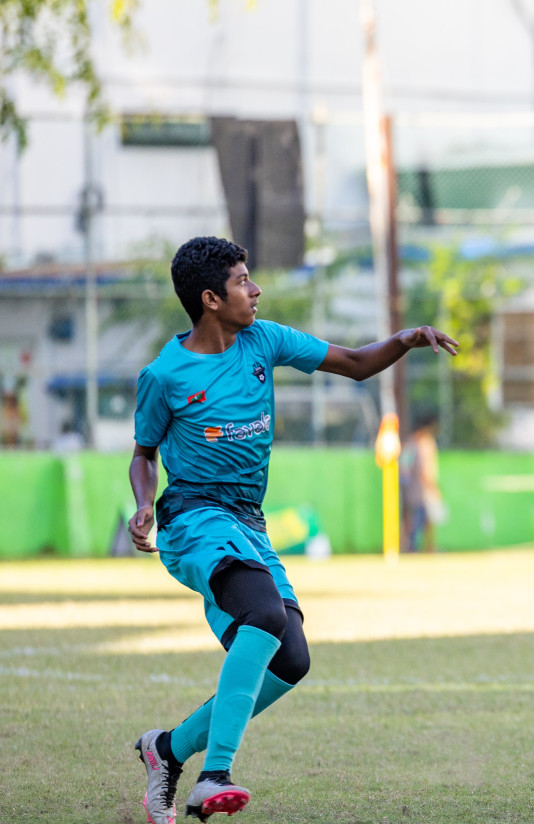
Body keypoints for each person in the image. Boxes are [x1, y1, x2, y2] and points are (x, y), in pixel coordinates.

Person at [128, 237, 457, 821]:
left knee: (291, 660)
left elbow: (355, 364)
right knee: (264, 615)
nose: (255, 290)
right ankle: (215, 776)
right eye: (242, 281)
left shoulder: (265, 339)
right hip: (194, 517)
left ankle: (167, 750)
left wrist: (405, 341)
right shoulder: (165, 375)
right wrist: (143, 503)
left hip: (247, 521)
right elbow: (143, 454)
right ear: (210, 299)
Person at [400, 413, 445, 553]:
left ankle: (416, 547)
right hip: (422, 489)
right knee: (423, 521)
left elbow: (403, 467)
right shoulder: (424, 443)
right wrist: (432, 486)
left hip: (412, 489)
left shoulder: (411, 441)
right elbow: (424, 469)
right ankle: (424, 547)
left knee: (416, 520)